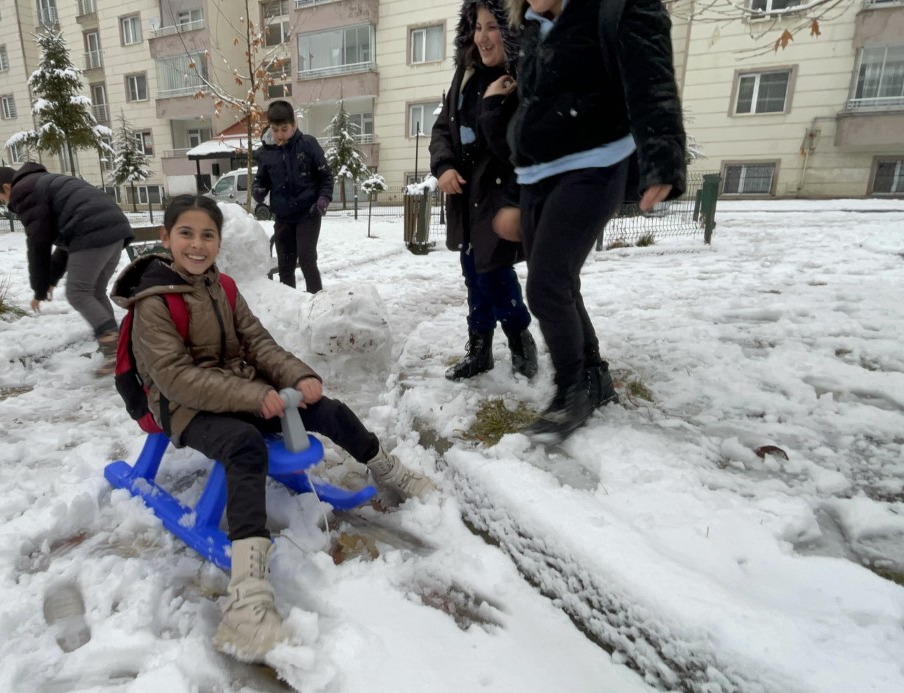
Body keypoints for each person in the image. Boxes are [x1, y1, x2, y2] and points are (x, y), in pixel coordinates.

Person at [112, 195, 434, 662]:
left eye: (208, 235)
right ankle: (247, 604)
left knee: (329, 409)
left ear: (219, 242)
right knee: (244, 446)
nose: (197, 245)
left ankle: (388, 469)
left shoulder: (221, 286)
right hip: (181, 406)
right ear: (165, 239)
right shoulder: (153, 303)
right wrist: (251, 397)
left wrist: (297, 375)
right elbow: (175, 377)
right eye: (186, 234)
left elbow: (257, 342)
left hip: (237, 391)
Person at [499, 0, 687, 442]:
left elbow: (652, 79)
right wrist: (512, 194)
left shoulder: (615, 7)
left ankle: (571, 390)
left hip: (595, 164)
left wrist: (663, 155)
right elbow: (529, 112)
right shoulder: (534, 27)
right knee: (561, 282)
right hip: (536, 175)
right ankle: (594, 376)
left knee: (545, 285)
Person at [430, 0, 538, 383]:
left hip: (500, 194)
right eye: (477, 27)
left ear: (509, 30)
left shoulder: (524, 79)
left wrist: (494, 103)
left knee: (492, 270)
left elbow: (514, 148)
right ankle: (480, 348)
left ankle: (518, 337)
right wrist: (443, 167)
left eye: (492, 26)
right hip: (465, 195)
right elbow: (443, 129)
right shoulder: (466, 77)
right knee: (472, 272)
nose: (483, 37)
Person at [0, 163, 134, 374]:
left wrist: (38, 288)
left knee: (78, 293)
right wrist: (50, 280)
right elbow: (65, 244)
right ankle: (116, 350)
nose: (8, 205)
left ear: (8, 187)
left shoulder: (24, 191)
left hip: (92, 231)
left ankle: (114, 350)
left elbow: (39, 243)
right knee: (93, 291)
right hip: (114, 229)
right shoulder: (45, 182)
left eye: (3, 200)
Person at [252, 100, 333, 294]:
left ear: (294, 125)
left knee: (306, 260)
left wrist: (323, 199)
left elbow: (326, 176)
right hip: (283, 217)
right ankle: (290, 306)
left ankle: (316, 302)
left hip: (308, 213)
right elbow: (261, 179)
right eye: (275, 130)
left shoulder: (308, 145)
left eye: (284, 129)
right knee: (285, 265)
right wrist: (258, 189)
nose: (279, 135)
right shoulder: (265, 153)